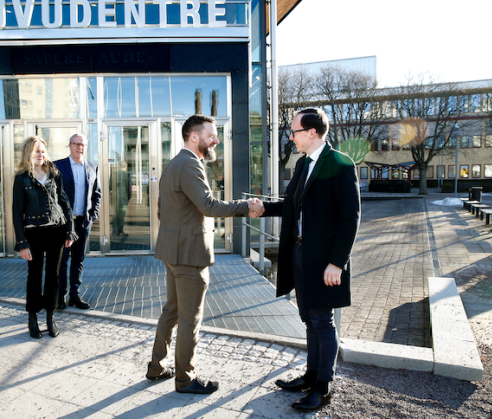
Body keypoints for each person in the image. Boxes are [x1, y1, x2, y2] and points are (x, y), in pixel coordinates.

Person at [145, 114, 262, 394]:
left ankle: (156, 367)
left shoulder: (174, 164)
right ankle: (184, 379)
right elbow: (208, 205)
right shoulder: (189, 165)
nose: (216, 139)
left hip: (173, 254)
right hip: (189, 256)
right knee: (189, 320)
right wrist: (246, 206)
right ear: (194, 136)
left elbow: (163, 210)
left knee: (171, 312)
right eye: (212, 134)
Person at [257, 107, 360, 412]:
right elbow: (290, 205)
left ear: (312, 133)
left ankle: (323, 386)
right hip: (300, 253)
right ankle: (311, 375)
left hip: (325, 260)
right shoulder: (303, 163)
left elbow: (350, 219)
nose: (291, 136)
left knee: (323, 322)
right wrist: (259, 207)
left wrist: (337, 263)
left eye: (295, 131)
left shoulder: (341, 164)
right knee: (310, 319)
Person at [12, 135, 75, 339]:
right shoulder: (21, 178)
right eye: (36, 151)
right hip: (33, 232)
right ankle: (32, 318)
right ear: (28, 153)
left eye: (42, 150)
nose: (40, 154)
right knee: (35, 275)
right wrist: (22, 243)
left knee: (54, 276)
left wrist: (70, 230)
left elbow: (64, 202)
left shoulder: (54, 173)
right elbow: (16, 211)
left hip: (56, 230)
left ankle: (50, 317)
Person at [54, 134, 102, 310]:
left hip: (82, 222)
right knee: (63, 260)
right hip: (64, 224)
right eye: (76, 144)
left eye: (82, 145)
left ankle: (75, 295)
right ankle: (61, 296)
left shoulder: (92, 168)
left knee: (78, 260)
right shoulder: (58, 166)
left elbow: (97, 194)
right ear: (70, 146)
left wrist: (92, 216)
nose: (79, 147)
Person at [114, 161, 132, 237]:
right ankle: (120, 230)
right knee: (122, 214)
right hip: (123, 197)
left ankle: (115, 230)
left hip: (115, 197)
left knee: (117, 214)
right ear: (126, 167)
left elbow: (110, 186)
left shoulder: (115, 174)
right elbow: (129, 188)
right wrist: (128, 198)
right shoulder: (127, 175)